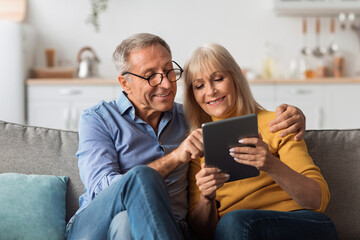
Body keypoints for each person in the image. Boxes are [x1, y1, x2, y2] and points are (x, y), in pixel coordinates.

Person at [65, 33, 307, 240]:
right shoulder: (98, 119)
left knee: (127, 224)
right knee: (141, 178)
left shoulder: (193, 119)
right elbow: (100, 190)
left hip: (168, 228)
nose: (167, 84)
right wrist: (176, 158)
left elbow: (233, 113)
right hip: (94, 226)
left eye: (169, 71)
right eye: (151, 76)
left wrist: (294, 115)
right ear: (125, 83)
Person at [184, 43, 338, 240]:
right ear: (193, 95)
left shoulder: (279, 123)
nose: (211, 91)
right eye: (199, 86)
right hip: (236, 232)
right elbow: (203, 232)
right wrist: (207, 198)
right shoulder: (198, 147)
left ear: (235, 78)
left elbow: (317, 201)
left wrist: (270, 164)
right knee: (231, 224)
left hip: (301, 224)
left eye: (218, 79)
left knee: (233, 222)